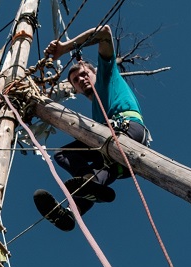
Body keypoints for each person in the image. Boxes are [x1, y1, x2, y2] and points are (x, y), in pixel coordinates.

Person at [33, 23, 151, 231]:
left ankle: (88, 181)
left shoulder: (107, 77)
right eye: (75, 80)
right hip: (118, 158)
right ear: (75, 90)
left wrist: (65, 48)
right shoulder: (97, 113)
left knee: (64, 153)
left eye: (84, 74)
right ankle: (72, 213)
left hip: (127, 130)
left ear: (95, 72)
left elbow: (104, 32)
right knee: (97, 174)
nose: (81, 80)